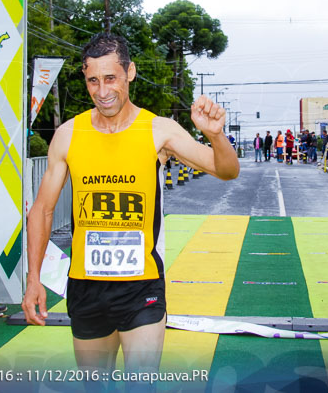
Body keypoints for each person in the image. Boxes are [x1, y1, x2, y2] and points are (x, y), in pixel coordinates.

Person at [22, 33, 240, 376]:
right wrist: (33, 278)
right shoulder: (68, 134)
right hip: (85, 286)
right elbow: (42, 210)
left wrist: (214, 135)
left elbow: (227, 170)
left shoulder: (159, 130)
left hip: (141, 286)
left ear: (130, 73)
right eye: (93, 80)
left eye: (111, 78)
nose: (102, 90)